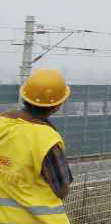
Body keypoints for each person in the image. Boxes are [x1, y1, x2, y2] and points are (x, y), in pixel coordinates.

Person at [0, 69, 73, 224]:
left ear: (24, 96)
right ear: (57, 105)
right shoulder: (47, 139)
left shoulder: (2, 124)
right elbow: (62, 189)